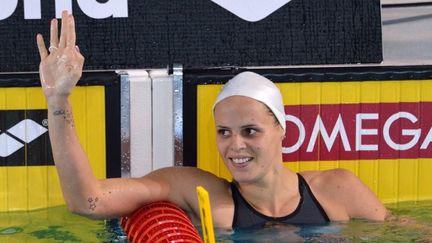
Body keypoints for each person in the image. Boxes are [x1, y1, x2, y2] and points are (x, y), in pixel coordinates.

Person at [36, 11, 388, 230]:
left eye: (250, 131)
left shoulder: (337, 190)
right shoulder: (200, 192)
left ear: (282, 131)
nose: (235, 146)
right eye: (224, 132)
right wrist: (58, 98)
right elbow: (88, 201)